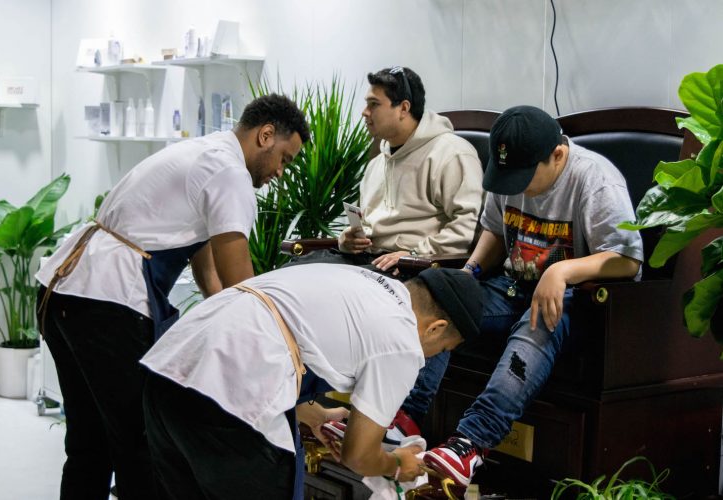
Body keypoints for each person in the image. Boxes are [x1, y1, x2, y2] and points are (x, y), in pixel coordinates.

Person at [35, 94, 309, 499]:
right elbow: (240, 283)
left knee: (89, 442)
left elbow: (209, 273)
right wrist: (272, 350)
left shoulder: (204, 151)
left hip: (62, 289)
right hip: (106, 301)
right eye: (285, 158)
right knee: (141, 443)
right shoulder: (230, 172)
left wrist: (218, 328)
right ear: (266, 135)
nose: (280, 172)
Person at [421, 105, 644, 485]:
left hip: (575, 299)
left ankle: (470, 444)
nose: (516, 187)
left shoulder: (596, 179)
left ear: (557, 155)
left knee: (539, 318)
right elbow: (494, 232)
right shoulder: (507, 174)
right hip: (512, 286)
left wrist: (562, 271)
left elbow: (627, 260)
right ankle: (404, 420)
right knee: (447, 307)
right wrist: (468, 275)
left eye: (523, 177)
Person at [139, 263, 484, 499]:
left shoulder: (362, 279)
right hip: (232, 400)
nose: (431, 357)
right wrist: (397, 464)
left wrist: (313, 414)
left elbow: (287, 331)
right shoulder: (402, 339)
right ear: (436, 328)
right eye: (442, 349)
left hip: (168, 370)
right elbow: (359, 456)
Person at [293, 66, 483, 272]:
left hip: (412, 266)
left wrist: (415, 254)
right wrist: (347, 240)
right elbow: (366, 222)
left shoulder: (452, 153)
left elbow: (466, 226)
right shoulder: (376, 163)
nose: (365, 112)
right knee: (296, 271)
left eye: (374, 104)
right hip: (367, 260)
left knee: (329, 286)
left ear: (403, 108)